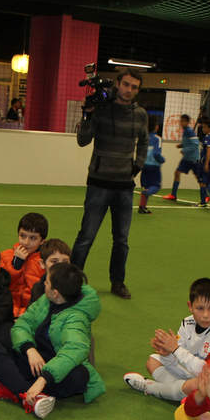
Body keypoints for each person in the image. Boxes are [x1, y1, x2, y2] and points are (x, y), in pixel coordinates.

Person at [0, 261, 103, 419]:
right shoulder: (46, 299)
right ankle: (29, 396)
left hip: (55, 369)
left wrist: (44, 378)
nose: (44, 283)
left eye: (47, 282)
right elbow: (22, 324)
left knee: (80, 376)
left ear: (56, 293)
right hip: (34, 359)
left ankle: (15, 389)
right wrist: (29, 349)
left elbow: (74, 350)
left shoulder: (77, 318)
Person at [69, 68, 147, 300]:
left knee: (121, 240)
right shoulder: (101, 109)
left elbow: (144, 142)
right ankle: (71, 280)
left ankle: (117, 282)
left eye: (134, 87)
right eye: (126, 85)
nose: (129, 90)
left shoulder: (140, 114)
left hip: (124, 187)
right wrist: (87, 115)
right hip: (98, 184)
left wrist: (138, 165)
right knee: (86, 236)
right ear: (118, 84)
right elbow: (82, 141)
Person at [123, 277, 210, 403]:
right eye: (200, 308)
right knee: (152, 361)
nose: (206, 315)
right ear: (190, 306)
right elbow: (177, 361)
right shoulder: (187, 322)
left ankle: (150, 387)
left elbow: (206, 370)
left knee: (196, 384)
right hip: (190, 375)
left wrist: (175, 349)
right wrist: (167, 354)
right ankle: (181, 392)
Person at [0, 212, 47, 318]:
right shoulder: (5, 256)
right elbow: (1, 286)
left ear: (42, 241)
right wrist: (15, 265)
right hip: (8, 311)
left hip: (34, 313)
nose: (26, 242)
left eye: (33, 238)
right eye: (22, 236)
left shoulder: (46, 262)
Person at [163, 113, 201, 201]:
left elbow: (195, 145)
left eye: (183, 121)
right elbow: (189, 143)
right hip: (186, 158)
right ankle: (173, 195)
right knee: (177, 172)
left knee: (198, 177)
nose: (181, 123)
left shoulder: (189, 131)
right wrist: (182, 145)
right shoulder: (185, 131)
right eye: (181, 121)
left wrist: (184, 150)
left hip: (193, 159)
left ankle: (206, 195)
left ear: (187, 122)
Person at [137, 119, 166, 214]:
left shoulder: (144, 137)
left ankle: (142, 207)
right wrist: (162, 160)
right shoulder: (157, 139)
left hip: (144, 165)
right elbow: (156, 153)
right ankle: (146, 195)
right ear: (156, 127)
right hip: (153, 166)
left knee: (146, 186)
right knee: (156, 186)